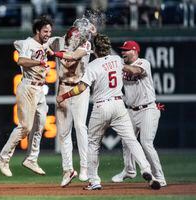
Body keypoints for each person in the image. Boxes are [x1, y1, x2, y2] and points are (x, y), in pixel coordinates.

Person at [56, 33, 161, 190]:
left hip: (101, 107)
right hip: (119, 105)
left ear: (95, 49)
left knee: (92, 143)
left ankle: (94, 181)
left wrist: (64, 95)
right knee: (132, 140)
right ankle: (147, 170)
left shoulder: (93, 66)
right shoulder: (118, 60)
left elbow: (81, 88)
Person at [0, 15, 53, 177]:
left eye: (49, 31)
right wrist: (39, 63)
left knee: (40, 124)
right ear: (37, 31)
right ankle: (3, 157)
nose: (48, 34)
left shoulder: (44, 43)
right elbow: (21, 61)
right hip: (28, 87)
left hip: (40, 90)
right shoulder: (29, 44)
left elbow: (55, 42)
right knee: (25, 127)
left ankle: (31, 159)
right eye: (45, 31)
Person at [111, 40, 167, 187]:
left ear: (135, 51)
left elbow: (135, 71)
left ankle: (160, 177)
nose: (123, 52)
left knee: (146, 143)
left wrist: (119, 66)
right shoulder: (123, 67)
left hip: (148, 108)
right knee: (126, 141)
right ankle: (129, 170)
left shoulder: (144, 63)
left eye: (126, 50)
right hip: (131, 109)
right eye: (122, 50)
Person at [47, 25, 92, 187]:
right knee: (64, 132)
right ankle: (68, 170)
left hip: (79, 89)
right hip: (63, 87)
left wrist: (53, 53)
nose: (74, 42)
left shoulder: (85, 44)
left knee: (80, 127)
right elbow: (43, 43)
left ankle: (85, 167)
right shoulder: (58, 41)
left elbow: (73, 56)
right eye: (72, 40)